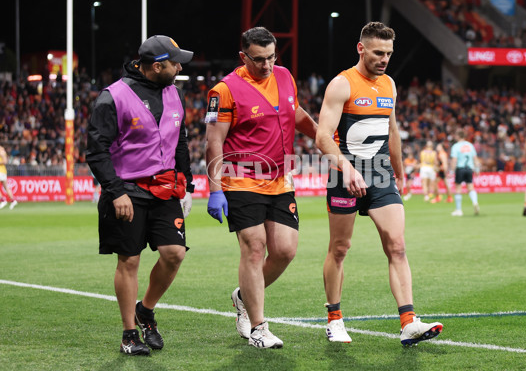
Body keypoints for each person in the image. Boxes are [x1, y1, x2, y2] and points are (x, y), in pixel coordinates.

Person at [315, 21, 442, 346]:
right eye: (377, 52)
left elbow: (392, 131)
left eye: (388, 53)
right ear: (361, 48)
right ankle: (334, 318)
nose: (384, 58)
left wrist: (399, 172)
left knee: (397, 246)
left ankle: (409, 321)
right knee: (340, 249)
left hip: (381, 174)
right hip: (344, 174)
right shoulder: (342, 84)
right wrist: (347, 170)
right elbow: (322, 137)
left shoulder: (389, 85)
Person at [205, 26, 317, 349]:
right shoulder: (224, 90)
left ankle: (243, 296)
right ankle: (257, 327)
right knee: (255, 248)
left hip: (281, 179)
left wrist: (322, 135)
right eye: (258, 60)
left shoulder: (285, 76)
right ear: (243, 56)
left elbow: (295, 113)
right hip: (242, 178)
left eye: (271, 57)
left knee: (284, 250)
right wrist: (215, 190)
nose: (267, 65)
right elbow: (214, 141)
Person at [86, 35, 195, 356]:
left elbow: (180, 142)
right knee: (129, 260)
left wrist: (187, 183)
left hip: (166, 189)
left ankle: (145, 309)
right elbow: (96, 151)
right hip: (127, 190)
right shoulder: (113, 97)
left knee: (174, 253)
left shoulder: (176, 92)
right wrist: (115, 192)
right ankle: (129, 334)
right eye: (175, 63)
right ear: (157, 66)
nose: (179, 67)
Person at [450, 129, 480, 216]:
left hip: (460, 169)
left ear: (458, 136)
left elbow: (454, 160)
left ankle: (459, 210)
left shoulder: (456, 146)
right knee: (470, 187)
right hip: (469, 169)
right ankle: (475, 202)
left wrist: (452, 171)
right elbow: (475, 159)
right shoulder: (470, 145)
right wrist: (477, 169)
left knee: (458, 188)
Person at [0, 145, 17, 210]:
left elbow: (5, 161)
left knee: (6, 187)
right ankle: (13, 200)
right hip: (2, 171)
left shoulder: (1, 151)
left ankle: (3, 200)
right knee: (6, 187)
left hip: (1, 171)